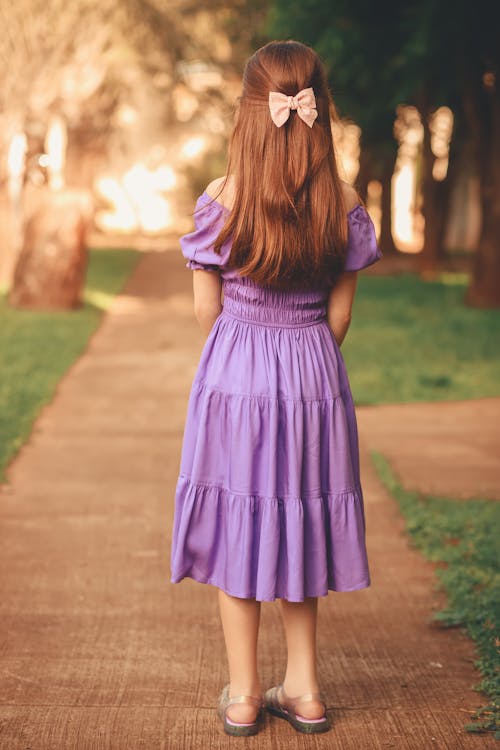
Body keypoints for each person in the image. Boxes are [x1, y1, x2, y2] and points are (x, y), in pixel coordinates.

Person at [170, 39, 382, 737]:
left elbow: (208, 312)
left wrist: (245, 357)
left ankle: (242, 693)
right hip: (313, 375)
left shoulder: (220, 199)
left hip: (236, 377)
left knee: (240, 525)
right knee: (300, 518)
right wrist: (306, 364)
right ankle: (306, 689)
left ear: (249, 113)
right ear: (319, 110)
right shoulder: (345, 202)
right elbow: (342, 314)